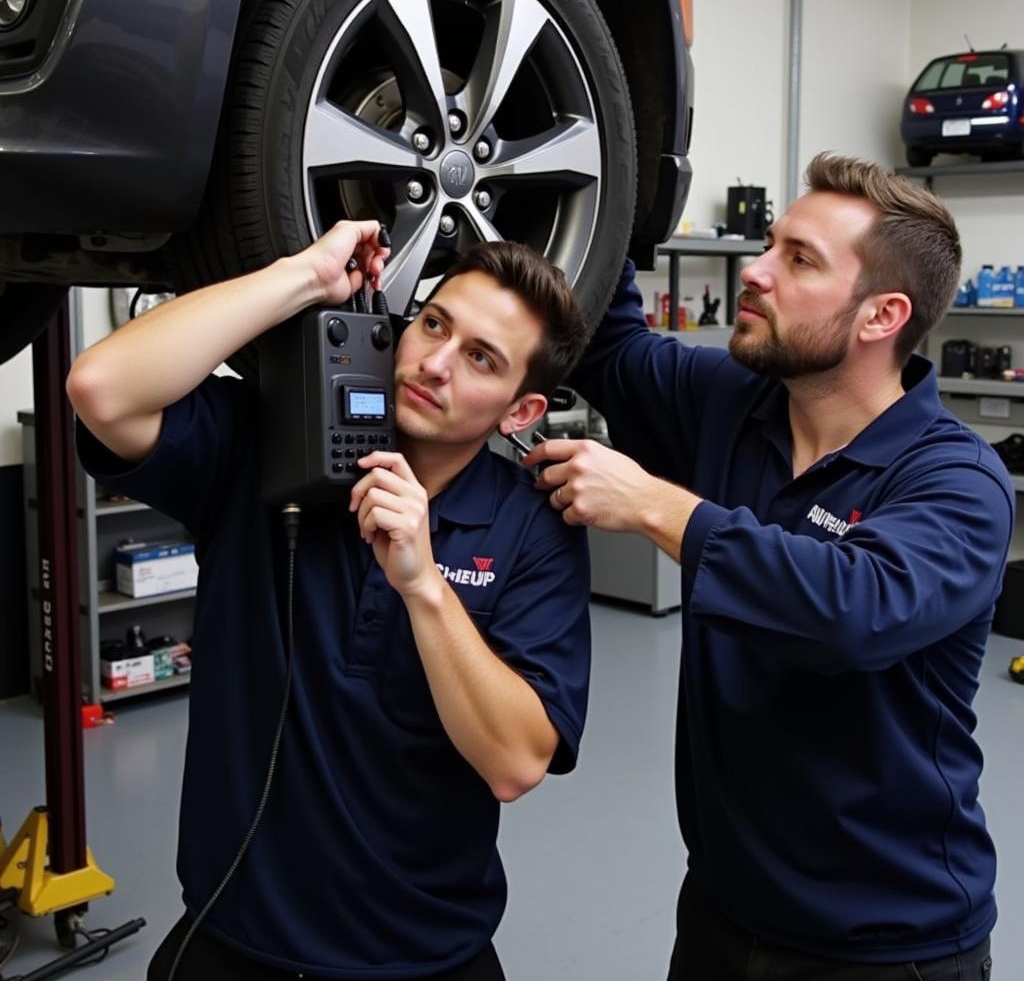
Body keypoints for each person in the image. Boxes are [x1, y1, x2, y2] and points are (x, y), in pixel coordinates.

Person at [525, 153, 1011, 980]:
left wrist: (655, 505)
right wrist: (596, 168)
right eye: (769, 244)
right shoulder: (734, 399)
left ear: (880, 315)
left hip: (889, 948)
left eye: (798, 259)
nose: (755, 272)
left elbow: (855, 611)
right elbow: (604, 338)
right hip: (720, 911)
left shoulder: (957, 482)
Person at [66, 223, 592, 981]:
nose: (435, 365)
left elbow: (514, 761)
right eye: (434, 324)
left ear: (520, 411)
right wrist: (305, 278)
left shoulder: (533, 528)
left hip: (423, 954)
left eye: (480, 359)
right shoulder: (270, 439)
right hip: (233, 937)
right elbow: (100, 388)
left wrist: (423, 585)